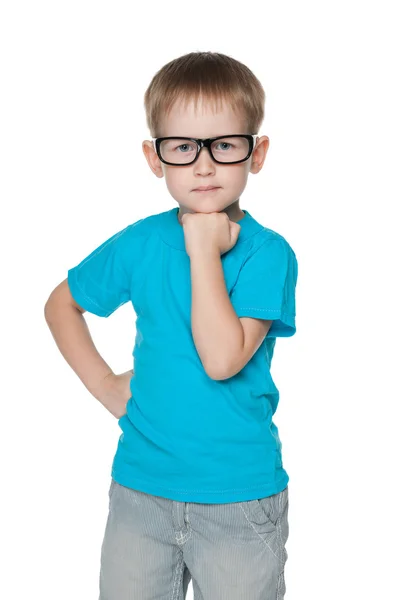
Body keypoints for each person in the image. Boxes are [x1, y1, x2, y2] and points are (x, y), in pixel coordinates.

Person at [44, 51, 298, 600]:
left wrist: (204, 248)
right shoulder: (141, 242)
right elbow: (61, 305)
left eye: (224, 145)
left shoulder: (267, 254)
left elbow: (222, 358)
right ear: (154, 158)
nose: (203, 166)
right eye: (182, 148)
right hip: (141, 492)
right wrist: (108, 386)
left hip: (239, 499)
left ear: (257, 154)